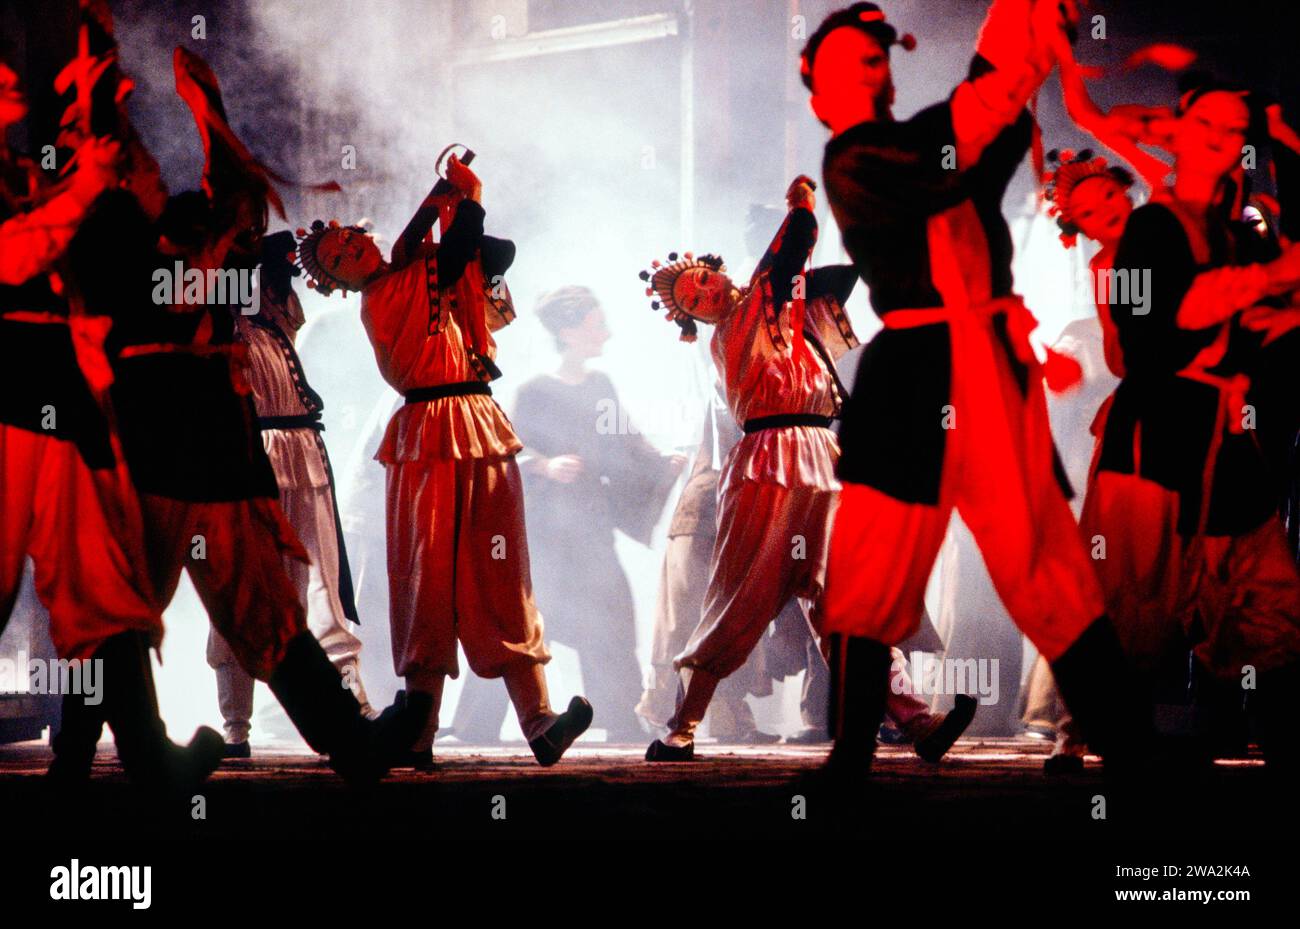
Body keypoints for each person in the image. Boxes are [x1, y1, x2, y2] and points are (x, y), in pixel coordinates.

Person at [52, 40, 425, 786]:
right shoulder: (120, 252)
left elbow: (239, 195)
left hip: (220, 459)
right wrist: (106, 91)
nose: (158, 178)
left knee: (268, 614)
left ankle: (348, 742)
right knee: (115, 617)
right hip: (149, 455)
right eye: (147, 176)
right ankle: (98, 753)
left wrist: (209, 109)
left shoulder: (216, 265)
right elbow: (107, 174)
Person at [803, 0, 1153, 780]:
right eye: (848, 56)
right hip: (913, 365)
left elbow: (982, 138)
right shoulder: (855, 157)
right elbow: (952, 148)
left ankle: (1129, 749)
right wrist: (1012, 36)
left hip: (987, 361)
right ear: (814, 86)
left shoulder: (925, 136)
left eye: (876, 52)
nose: (871, 62)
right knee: (868, 561)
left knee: (1045, 559)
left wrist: (1032, 36)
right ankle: (850, 755)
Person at [639, 176, 976, 762]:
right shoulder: (738, 329)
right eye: (693, 301)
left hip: (823, 456)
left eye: (702, 280)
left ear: (719, 272)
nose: (705, 294)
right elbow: (796, 242)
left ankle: (918, 722)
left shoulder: (780, 313)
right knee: (735, 598)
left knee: (850, 601)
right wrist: (801, 203)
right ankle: (681, 727)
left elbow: (816, 277)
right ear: (697, 318)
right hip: (768, 463)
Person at [297, 153, 591, 769]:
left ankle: (538, 721)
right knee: (426, 580)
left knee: (502, 574)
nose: (357, 248)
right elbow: (452, 248)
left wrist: (445, 193)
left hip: (478, 423)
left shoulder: (409, 270)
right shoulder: (386, 294)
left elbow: (444, 244)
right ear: (345, 281)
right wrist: (467, 194)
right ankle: (418, 732)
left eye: (354, 239)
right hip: (431, 431)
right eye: (343, 256)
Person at [1, 54, 225, 789]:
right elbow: (15, 257)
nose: (10, 72)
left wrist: (99, 108)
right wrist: (92, 174)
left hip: (55, 379)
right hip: (9, 378)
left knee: (100, 582)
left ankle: (147, 754)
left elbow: (76, 215)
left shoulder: (20, 172)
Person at [1078, 77, 1300, 770]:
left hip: (1227, 437)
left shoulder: (1238, 230)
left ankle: (1284, 743)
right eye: (1206, 122)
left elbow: (1269, 307)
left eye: (1234, 129)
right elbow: (1147, 335)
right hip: (1158, 435)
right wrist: (1259, 289)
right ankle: (1123, 762)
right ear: (1176, 130)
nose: (1218, 137)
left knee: (1269, 600)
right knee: (1139, 611)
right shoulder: (1149, 227)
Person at [450, 286, 681, 744]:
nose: (606, 334)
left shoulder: (600, 387)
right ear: (570, 332)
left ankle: (618, 716)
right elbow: (506, 449)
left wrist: (662, 462)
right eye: (597, 325)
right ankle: (475, 724)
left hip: (591, 524)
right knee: (523, 619)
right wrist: (544, 465)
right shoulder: (534, 391)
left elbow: (627, 440)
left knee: (610, 614)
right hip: (545, 529)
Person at [206, 230, 376, 758]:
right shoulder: (225, 320)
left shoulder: (277, 319)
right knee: (246, 584)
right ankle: (237, 725)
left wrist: (327, 251)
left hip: (300, 449)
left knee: (318, 578)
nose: (283, 289)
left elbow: (286, 271)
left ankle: (354, 710)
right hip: (255, 452)